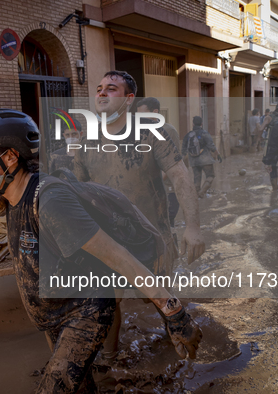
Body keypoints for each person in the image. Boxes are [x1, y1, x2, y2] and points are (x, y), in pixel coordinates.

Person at [0, 109, 202, 393]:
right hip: (53, 317)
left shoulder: (49, 200)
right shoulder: (11, 197)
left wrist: (174, 313)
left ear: (10, 157)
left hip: (84, 313)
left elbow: (118, 257)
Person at [74, 71, 205, 358]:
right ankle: (108, 362)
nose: (102, 93)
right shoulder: (85, 140)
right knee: (106, 303)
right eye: (99, 89)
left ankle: (186, 354)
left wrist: (192, 227)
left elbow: (180, 177)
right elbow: (77, 191)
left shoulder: (152, 132)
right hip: (107, 241)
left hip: (150, 238)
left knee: (161, 299)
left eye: (111, 88)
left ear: (129, 99)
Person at [136, 97, 180, 241]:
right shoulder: (142, 132)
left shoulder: (168, 130)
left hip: (167, 190)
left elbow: (170, 165)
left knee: (167, 226)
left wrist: (152, 184)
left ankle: (173, 259)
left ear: (155, 113)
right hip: (150, 191)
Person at [181, 116, 222, 198]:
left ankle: (196, 198)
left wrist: (181, 163)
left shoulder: (188, 135)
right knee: (210, 176)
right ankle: (202, 192)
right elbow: (211, 146)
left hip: (193, 161)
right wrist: (218, 154)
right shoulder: (204, 133)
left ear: (193, 124)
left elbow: (183, 151)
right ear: (202, 124)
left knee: (196, 180)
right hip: (205, 160)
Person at [259, 104, 278, 190]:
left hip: (272, 146)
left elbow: (261, 129)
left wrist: (260, 138)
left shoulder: (269, 117)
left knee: (272, 167)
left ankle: (275, 190)